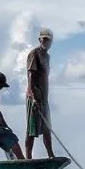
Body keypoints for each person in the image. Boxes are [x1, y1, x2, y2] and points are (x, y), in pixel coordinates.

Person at [25, 27, 54, 159]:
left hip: (44, 98)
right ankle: (28, 158)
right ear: (40, 39)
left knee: (47, 128)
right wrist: (33, 96)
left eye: (48, 40)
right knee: (32, 129)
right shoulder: (34, 54)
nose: (46, 42)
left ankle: (50, 155)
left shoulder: (47, 57)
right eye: (44, 39)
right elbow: (31, 75)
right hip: (34, 97)